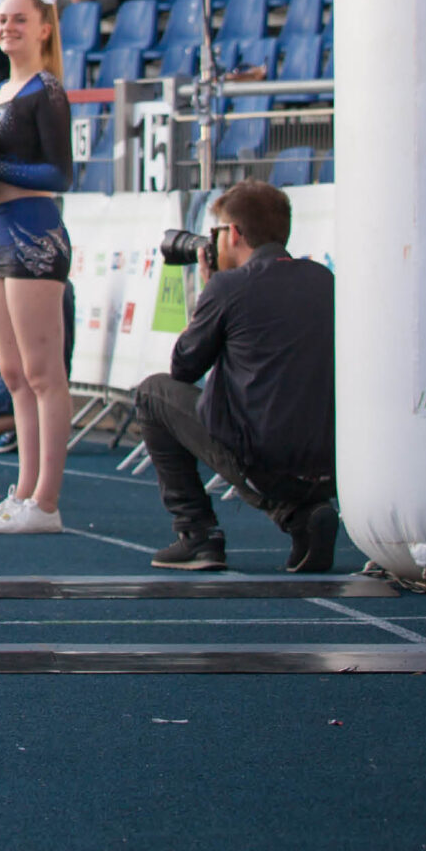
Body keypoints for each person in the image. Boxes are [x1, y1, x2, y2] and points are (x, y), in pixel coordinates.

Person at [133, 181, 338, 572]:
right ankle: (304, 516)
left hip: (261, 460)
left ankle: (198, 535)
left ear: (236, 233)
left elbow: (184, 368)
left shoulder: (229, 287)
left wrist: (209, 289)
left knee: (152, 394)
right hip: (329, 464)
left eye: (218, 232)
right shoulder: (323, 279)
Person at [0, 0, 75, 536]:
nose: (7, 27)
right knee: (14, 372)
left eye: (20, 19)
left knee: (43, 374)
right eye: (2, 19)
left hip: (33, 230)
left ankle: (46, 502)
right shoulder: (3, 89)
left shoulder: (46, 89)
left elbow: (59, 173)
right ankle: (23, 490)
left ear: (45, 27)